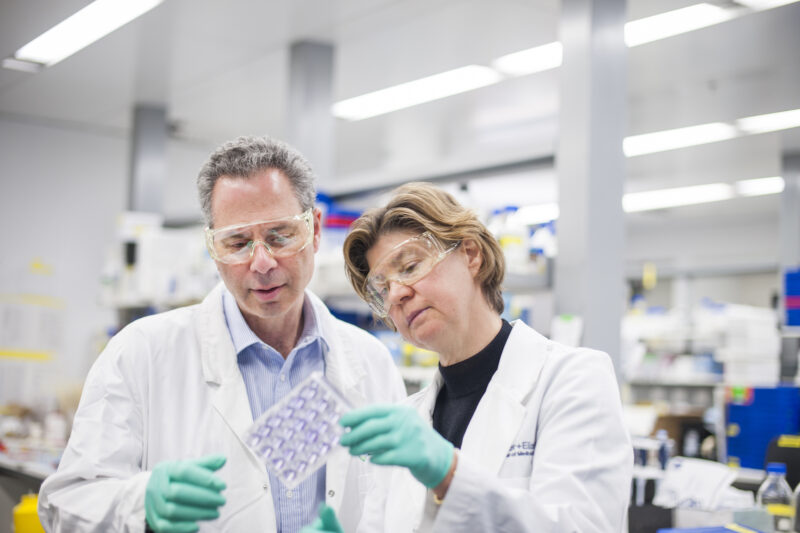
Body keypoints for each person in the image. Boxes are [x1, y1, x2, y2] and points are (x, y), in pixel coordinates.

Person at [38, 136, 406, 532]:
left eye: (281, 236)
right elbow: (66, 502)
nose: (262, 263)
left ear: (314, 230)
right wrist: (139, 503)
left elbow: (400, 504)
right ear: (212, 248)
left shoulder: (368, 362)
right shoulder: (142, 351)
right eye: (237, 241)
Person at [303, 182, 632, 533]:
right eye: (382, 289)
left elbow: (581, 526)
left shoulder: (573, 381)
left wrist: (450, 474)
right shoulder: (407, 421)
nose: (397, 293)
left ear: (471, 255)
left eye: (410, 266)